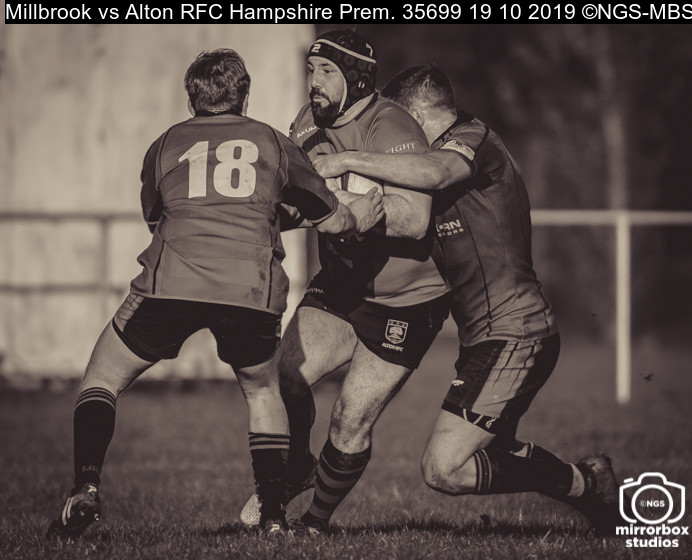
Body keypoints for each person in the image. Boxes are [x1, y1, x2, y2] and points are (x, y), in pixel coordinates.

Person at [45, 48, 384, 539]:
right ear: (244, 95)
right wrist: (358, 217)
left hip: (171, 283)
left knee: (101, 379)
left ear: (191, 99)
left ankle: (86, 488)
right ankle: (273, 518)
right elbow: (330, 218)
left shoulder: (163, 145)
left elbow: (156, 216)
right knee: (262, 391)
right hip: (247, 287)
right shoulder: (272, 141)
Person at [312, 63, 626, 536]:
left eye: (400, 124)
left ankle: (586, 484)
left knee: (444, 468)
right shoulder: (428, 162)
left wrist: (346, 160)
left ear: (418, 116)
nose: (397, 137)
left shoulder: (473, 139)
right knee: (490, 451)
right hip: (485, 339)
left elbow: (435, 172)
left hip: (518, 333)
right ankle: (592, 485)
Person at [239, 31, 451, 533]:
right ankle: (297, 467)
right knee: (283, 379)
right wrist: (257, 216)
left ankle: (316, 524)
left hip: (405, 299)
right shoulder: (305, 124)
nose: (314, 82)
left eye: (327, 72)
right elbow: (298, 205)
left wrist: (343, 209)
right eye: (311, 70)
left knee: (349, 420)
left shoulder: (391, 124)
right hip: (340, 286)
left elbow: (415, 218)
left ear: (356, 79)